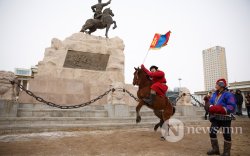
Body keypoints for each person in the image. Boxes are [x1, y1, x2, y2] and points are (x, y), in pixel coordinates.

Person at [207, 78, 236, 156]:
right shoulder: (214, 94)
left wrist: (222, 109)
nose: (215, 86)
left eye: (217, 84)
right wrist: (211, 107)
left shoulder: (228, 94)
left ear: (221, 85)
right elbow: (211, 103)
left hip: (225, 118)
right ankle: (215, 149)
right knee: (212, 132)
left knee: (226, 134)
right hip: (216, 117)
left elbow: (232, 106)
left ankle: (226, 152)